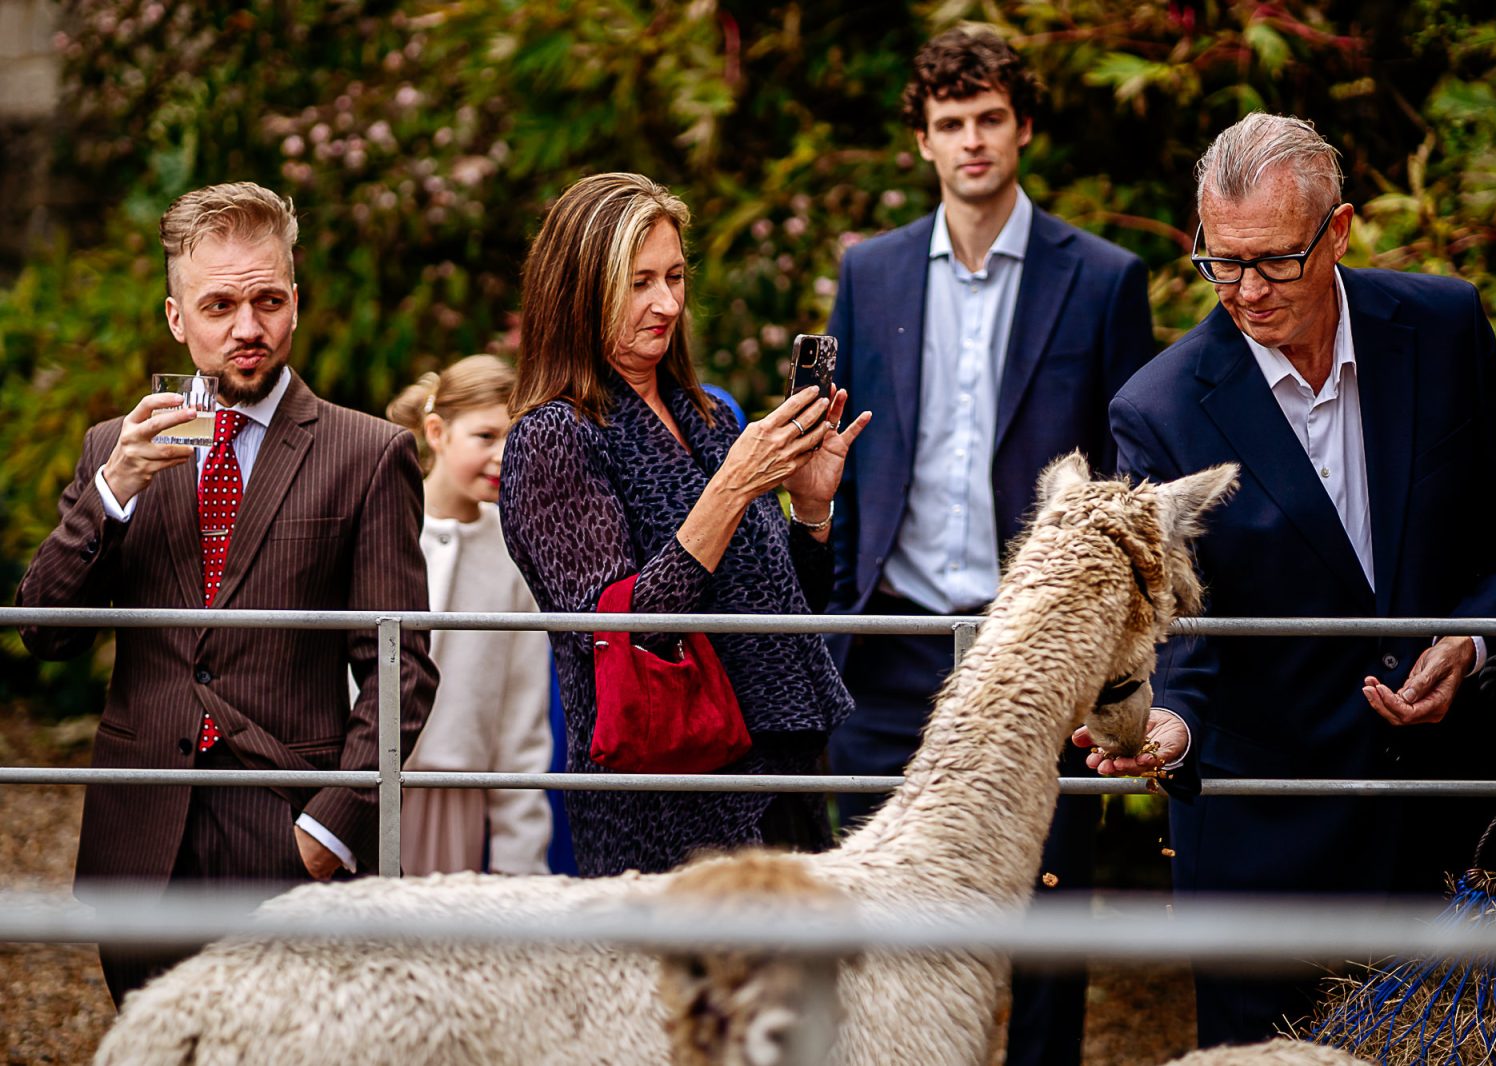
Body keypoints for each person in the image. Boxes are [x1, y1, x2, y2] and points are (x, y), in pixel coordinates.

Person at [1096, 112, 1496, 1046]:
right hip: (1268, 855)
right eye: (1221, 263)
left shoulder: (1441, 327)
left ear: (1340, 230)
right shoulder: (1155, 409)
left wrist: (1471, 643)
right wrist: (1171, 724)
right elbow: (1175, 624)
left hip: (1450, 836)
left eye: (1274, 261)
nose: (1246, 291)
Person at [15, 181, 438, 1008]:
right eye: (219, 305)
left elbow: (402, 670)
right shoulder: (116, 449)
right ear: (177, 318)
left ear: (294, 301)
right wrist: (112, 492)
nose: (247, 327)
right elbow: (45, 632)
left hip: (285, 835)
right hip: (142, 841)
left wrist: (330, 827)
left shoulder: (367, 453)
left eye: (267, 300)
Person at [822, 26, 1153, 1066]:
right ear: (921, 139)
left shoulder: (1101, 280)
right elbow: (840, 450)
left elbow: (1124, 473)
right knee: (870, 901)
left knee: (1046, 913)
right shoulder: (868, 273)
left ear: (1021, 128)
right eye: (950, 123)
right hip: (892, 642)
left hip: (1034, 647)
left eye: (989, 120)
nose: (971, 141)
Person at [498, 172, 870, 877]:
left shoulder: (711, 417)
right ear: (580, 291)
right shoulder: (555, 438)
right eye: (639, 283)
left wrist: (810, 508)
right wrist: (731, 488)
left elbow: (791, 609)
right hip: (668, 799)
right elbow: (628, 633)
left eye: (674, 276)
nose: (666, 303)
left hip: (780, 771)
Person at [386, 355, 553, 876]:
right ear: (436, 432)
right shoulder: (382, 522)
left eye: (515, 438)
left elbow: (522, 715)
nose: (503, 455)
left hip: (458, 799)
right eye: (485, 436)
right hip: (364, 793)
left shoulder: (515, 549)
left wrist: (519, 864)